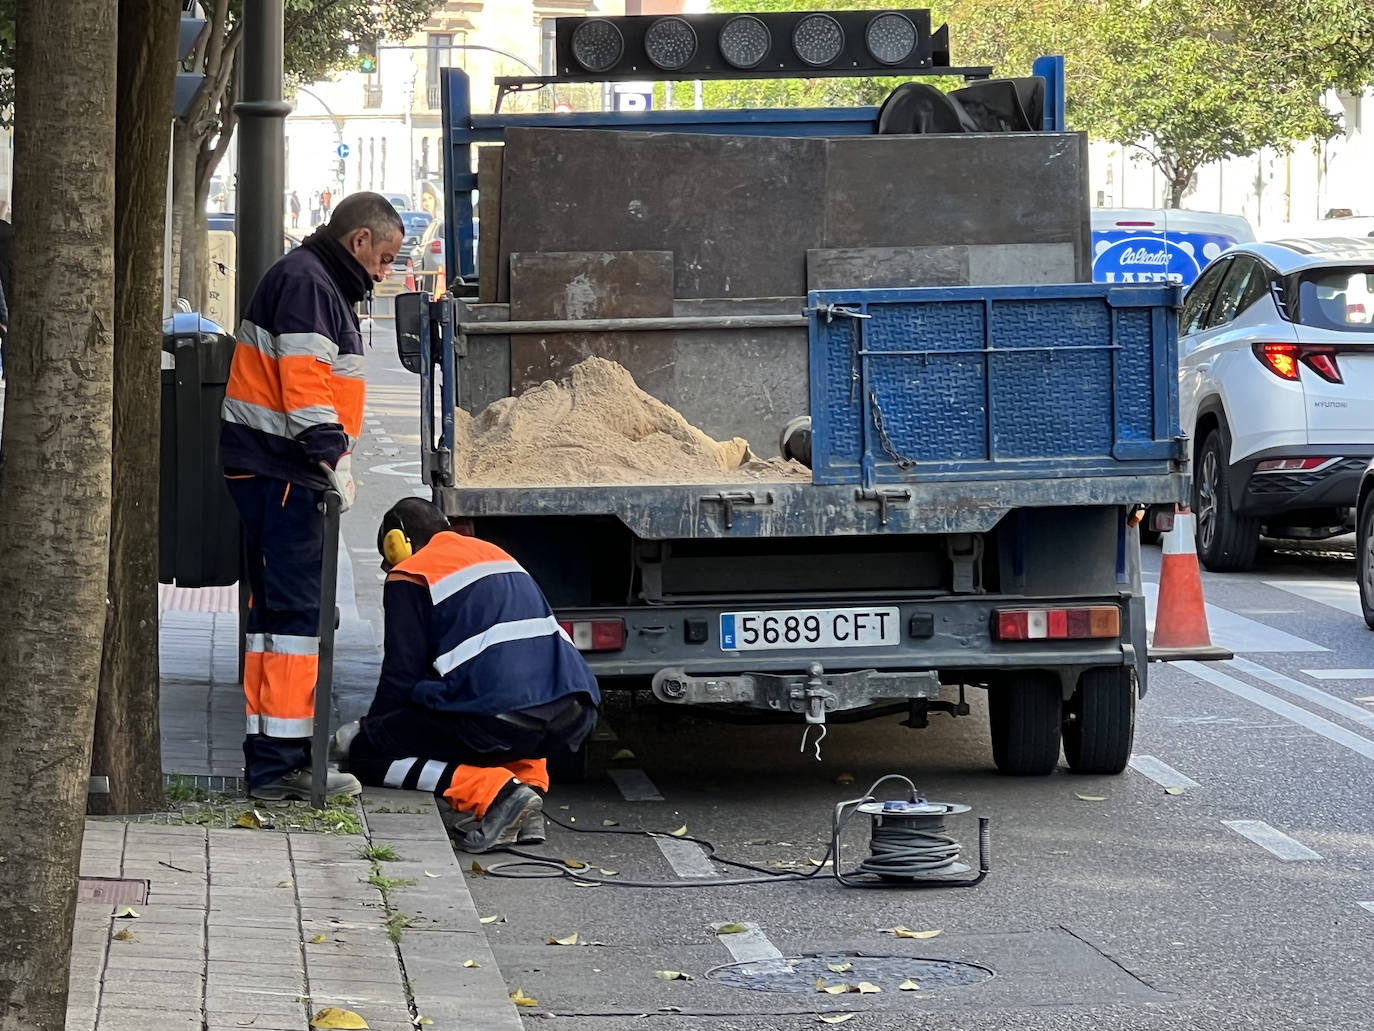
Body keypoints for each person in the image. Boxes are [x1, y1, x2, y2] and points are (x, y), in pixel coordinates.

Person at [220, 191, 405, 800]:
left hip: (274, 471)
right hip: (284, 473)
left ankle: (282, 756)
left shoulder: (311, 278)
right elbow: (305, 387)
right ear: (359, 242)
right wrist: (333, 458)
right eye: (384, 257)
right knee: (294, 621)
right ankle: (279, 767)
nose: (384, 272)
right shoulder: (310, 284)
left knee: (284, 619)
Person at [335, 498, 601, 852]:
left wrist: (374, 731)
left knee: (369, 755)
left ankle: (499, 795)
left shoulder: (412, 571)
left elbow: (401, 674)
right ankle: (529, 795)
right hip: (574, 716)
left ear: (397, 542)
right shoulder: (496, 555)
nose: (388, 566)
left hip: (501, 719)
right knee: (510, 705)